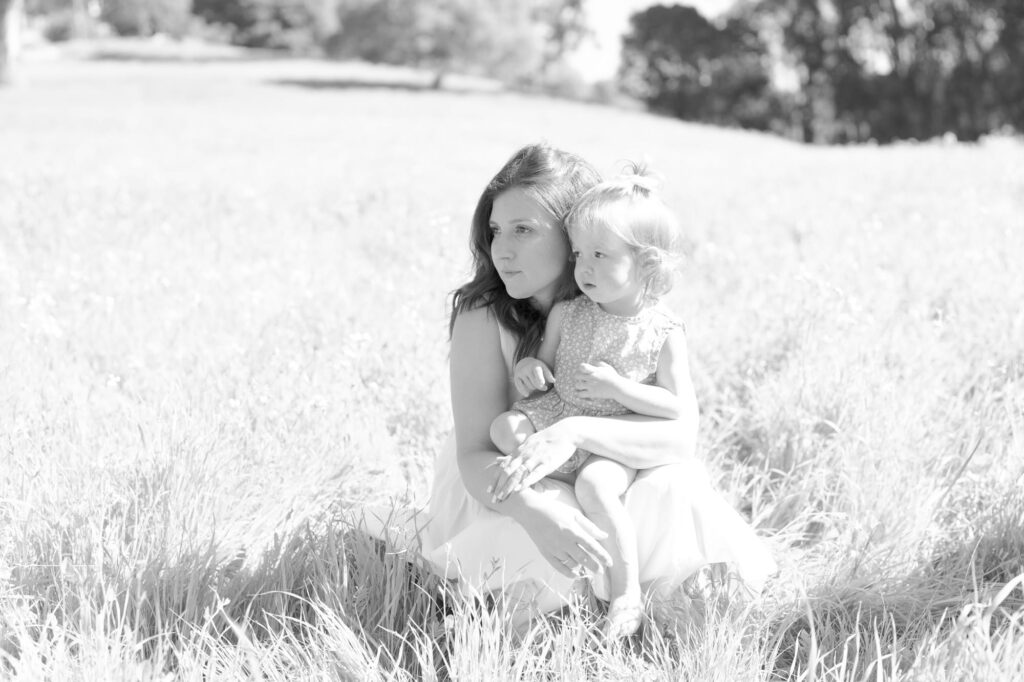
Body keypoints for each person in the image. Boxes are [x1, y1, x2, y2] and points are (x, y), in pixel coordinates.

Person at [361, 143, 776, 633]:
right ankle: (509, 608)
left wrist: (575, 431)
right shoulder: (482, 315)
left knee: (671, 485)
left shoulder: (617, 309)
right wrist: (533, 511)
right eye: (495, 231)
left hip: (599, 469)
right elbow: (473, 451)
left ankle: (632, 604)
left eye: (524, 230)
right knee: (553, 517)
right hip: (509, 480)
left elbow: (680, 441)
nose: (502, 250)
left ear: (573, 234)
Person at [488, 163, 689, 638]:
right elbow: (540, 369)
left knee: (597, 487)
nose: (584, 268)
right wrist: (529, 371)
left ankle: (625, 591)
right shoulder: (568, 311)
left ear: (648, 264)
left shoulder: (663, 331)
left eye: (600, 254)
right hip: (560, 414)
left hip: (611, 437)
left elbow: (674, 408)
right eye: (579, 253)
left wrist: (621, 390)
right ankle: (534, 517)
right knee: (504, 429)